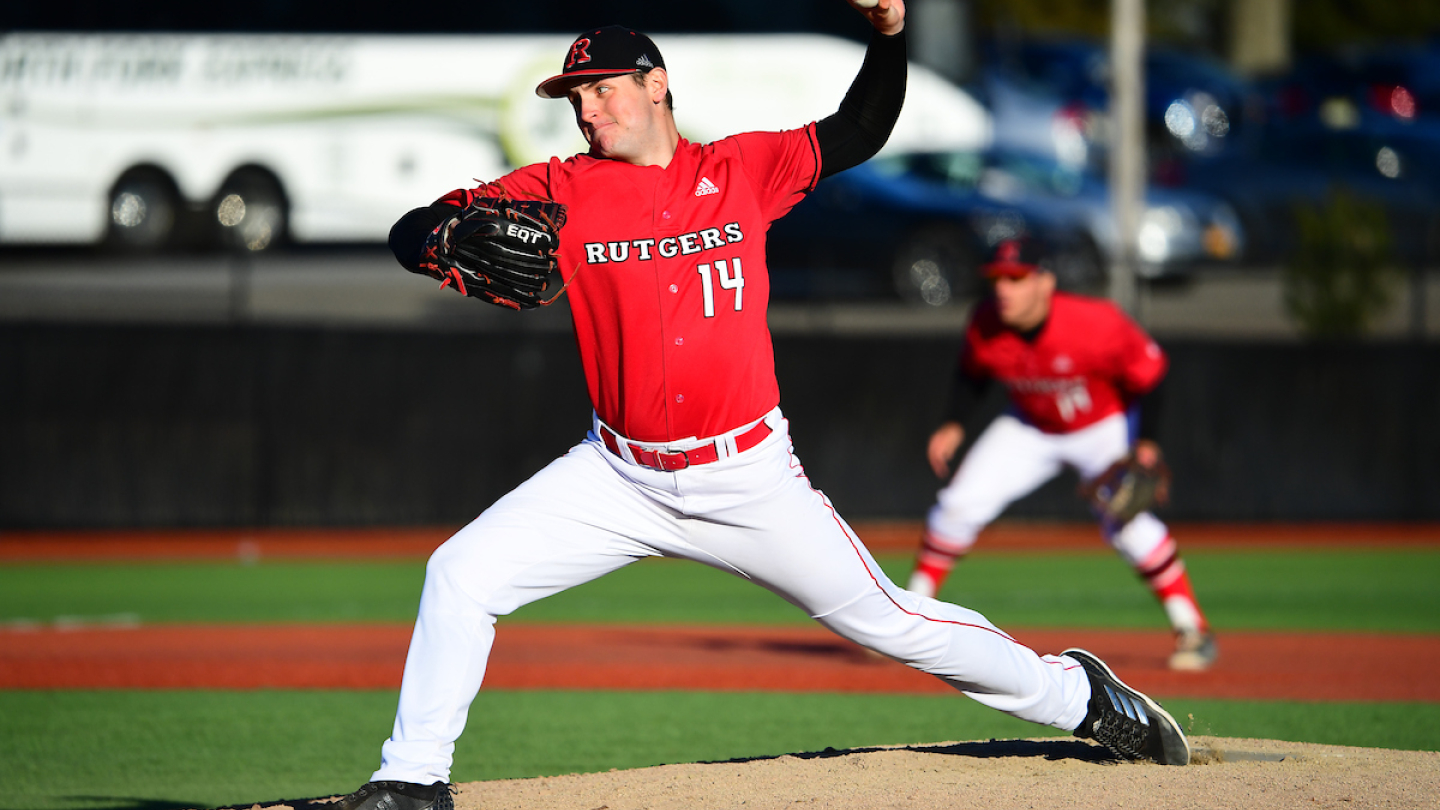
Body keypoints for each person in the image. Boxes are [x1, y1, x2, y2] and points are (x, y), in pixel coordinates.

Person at [338, 5, 1190, 809]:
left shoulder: (741, 170)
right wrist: (435, 236)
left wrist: (890, 35)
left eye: (602, 88)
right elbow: (419, 226)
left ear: (656, 84)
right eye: (576, 98)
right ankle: (412, 780)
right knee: (460, 574)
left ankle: (1082, 698)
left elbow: (861, 129)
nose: (587, 109)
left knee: (896, 623)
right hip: (618, 476)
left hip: (747, 476)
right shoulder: (561, 188)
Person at [904, 236, 1217, 672]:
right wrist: (954, 422)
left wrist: (1147, 441)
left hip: (1102, 425)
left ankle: (1192, 627)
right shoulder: (986, 321)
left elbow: (1151, 374)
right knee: (958, 504)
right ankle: (908, 617)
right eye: (998, 279)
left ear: (1045, 281)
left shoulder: (1096, 321)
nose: (1003, 289)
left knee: (1126, 522)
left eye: (1016, 278)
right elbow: (972, 372)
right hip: (1030, 426)